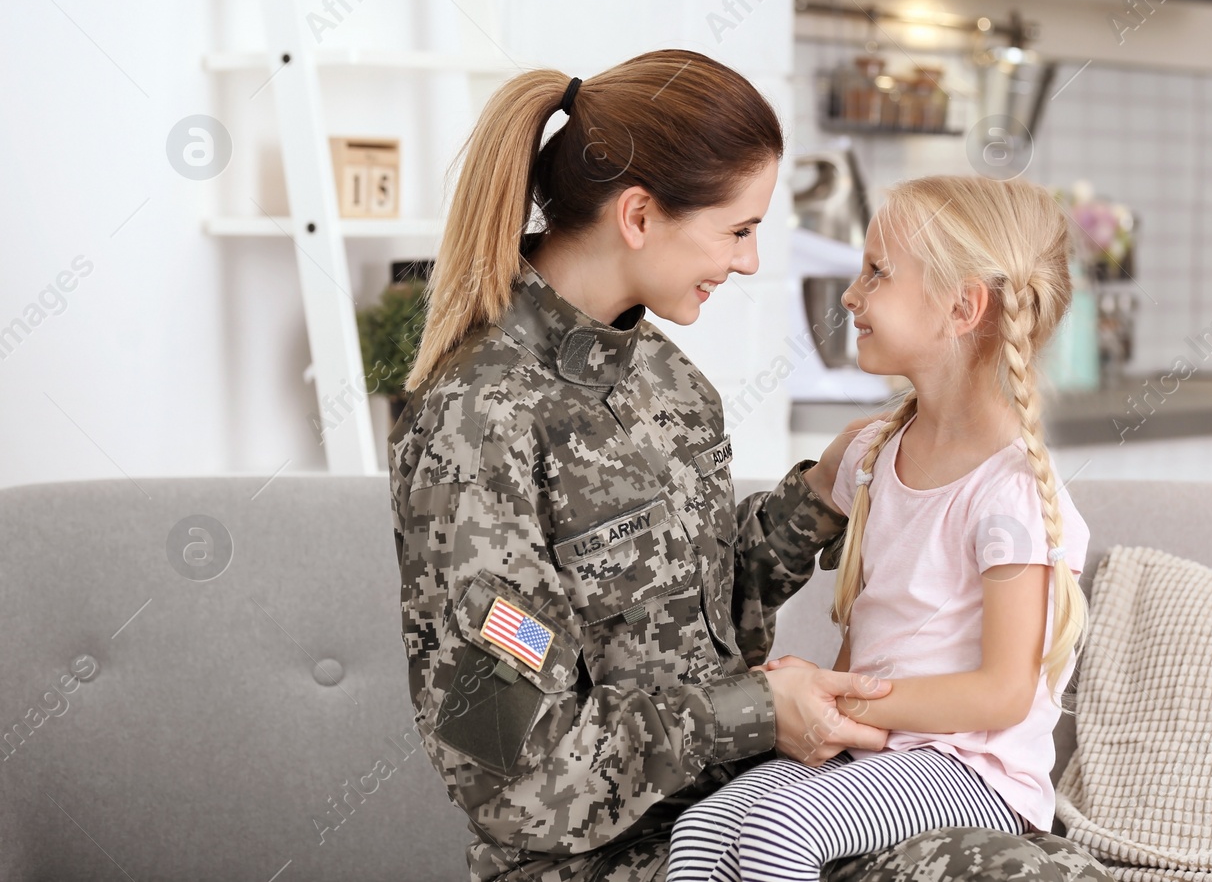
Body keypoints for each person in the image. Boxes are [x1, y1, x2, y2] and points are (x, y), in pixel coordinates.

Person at [390, 50, 1115, 882]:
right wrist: (755, 713)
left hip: (751, 812)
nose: (750, 262)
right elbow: (516, 776)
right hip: (604, 857)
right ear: (638, 215)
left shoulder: (671, 386)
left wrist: (810, 505)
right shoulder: (477, 423)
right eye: (739, 229)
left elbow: (691, 615)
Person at [665, 175, 1095, 882]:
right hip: (882, 749)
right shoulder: (871, 455)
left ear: (962, 307)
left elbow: (1001, 694)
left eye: (877, 272)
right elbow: (781, 549)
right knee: (703, 828)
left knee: (778, 830)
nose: (849, 294)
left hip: (970, 768)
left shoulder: (1009, 492)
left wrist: (837, 692)